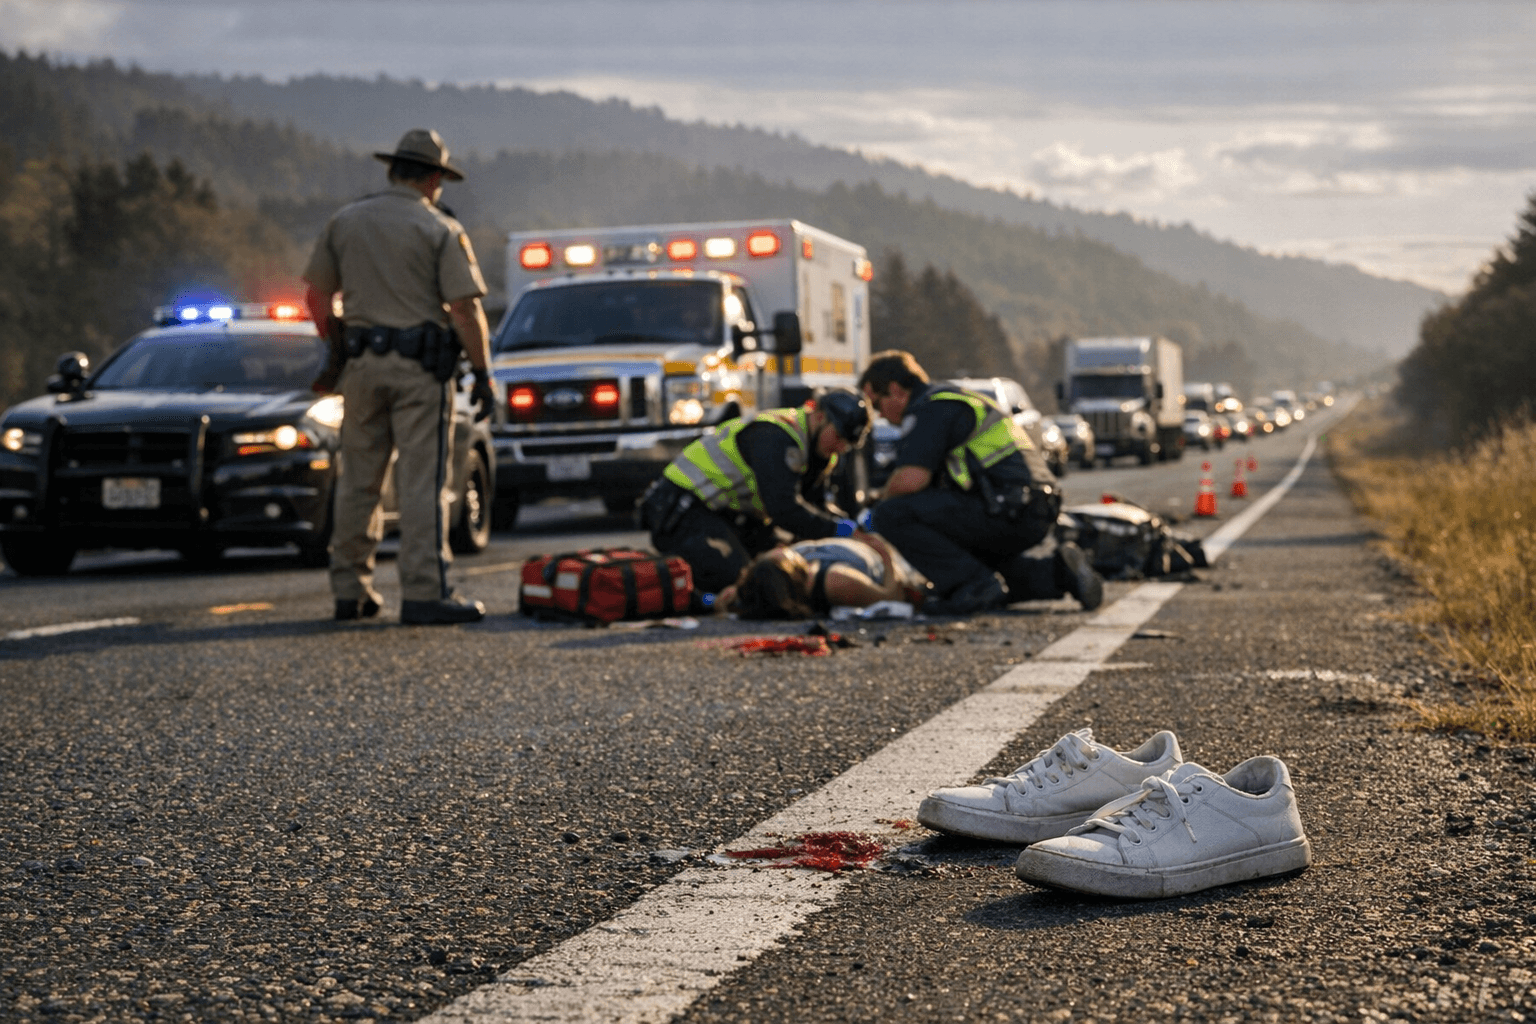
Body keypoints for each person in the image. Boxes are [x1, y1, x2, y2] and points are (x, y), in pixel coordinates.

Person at [302, 128, 496, 625]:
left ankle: (351, 591)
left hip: (361, 370)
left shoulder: (345, 221)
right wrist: (482, 373)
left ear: (393, 170)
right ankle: (425, 593)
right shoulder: (438, 228)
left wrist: (338, 344)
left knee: (358, 482)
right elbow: (464, 308)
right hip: (420, 372)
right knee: (421, 482)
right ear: (433, 177)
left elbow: (318, 297)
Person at [858, 350, 1103, 615]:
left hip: (1008, 507)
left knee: (892, 515)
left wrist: (873, 506)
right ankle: (1058, 574)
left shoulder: (930, 409)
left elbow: (911, 479)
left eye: (878, 405)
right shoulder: (956, 399)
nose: (880, 416)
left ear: (896, 391)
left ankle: (971, 586)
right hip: (1032, 507)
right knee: (973, 565)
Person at [638, 390, 872, 607]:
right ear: (820, 417)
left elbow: (814, 507)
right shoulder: (777, 436)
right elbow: (784, 509)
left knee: (783, 571)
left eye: (848, 444)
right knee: (748, 581)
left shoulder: (821, 450)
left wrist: (854, 529)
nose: (841, 448)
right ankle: (699, 599)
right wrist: (837, 529)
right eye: (839, 437)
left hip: (727, 515)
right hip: (681, 509)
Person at [723, 534, 927, 619]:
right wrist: (885, 555)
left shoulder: (763, 579)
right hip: (896, 560)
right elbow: (892, 596)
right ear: (790, 573)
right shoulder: (836, 581)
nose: (781, 547)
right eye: (783, 554)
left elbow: (724, 599)